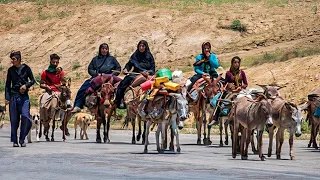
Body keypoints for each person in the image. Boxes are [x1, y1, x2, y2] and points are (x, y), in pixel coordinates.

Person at [72, 43, 121, 113]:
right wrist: (96, 74)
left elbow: (118, 68)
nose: (104, 50)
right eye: (103, 49)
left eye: (106, 49)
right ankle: (78, 105)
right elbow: (90, 69)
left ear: (108, 50)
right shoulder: (95, 59)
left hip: (110, 77)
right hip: (98, 78)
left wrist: (112, 75)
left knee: (122, 85)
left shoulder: (112, 59)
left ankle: (121, 103)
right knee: (83, 87)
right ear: (100, 49)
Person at [5, 51, 35, 147]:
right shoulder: (11, 70)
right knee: (14, 120)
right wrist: (7, 97)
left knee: (26, 116)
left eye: (13, 59)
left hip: (24, 97)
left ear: (18, 59)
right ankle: (15, 140)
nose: (12, 61)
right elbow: (7, 85)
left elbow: (33, 80)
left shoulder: (26, 68)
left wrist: (26, 85)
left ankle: (22, 138)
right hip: (14, 96)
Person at [114, 40, 155, 109]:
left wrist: (147, 73)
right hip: (135, 74)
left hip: (147, 75)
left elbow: (153, 69)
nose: (141, 48)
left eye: (143, 46)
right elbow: (129, 64)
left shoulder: (149, 56)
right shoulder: (135, 55)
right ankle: (119, 100)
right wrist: (126, 69)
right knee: (124, 82)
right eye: (140, 46)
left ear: (146, 47)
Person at [39, 53, 66, 136]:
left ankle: (63, 125)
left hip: (58, 92)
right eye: (53, 62)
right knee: (43, 106)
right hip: (49, 92)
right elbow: (41, 84)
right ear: (50, 61)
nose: (55, 64)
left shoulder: (60, 72)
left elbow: (64, 83)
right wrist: (47, 87)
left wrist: (60, 75)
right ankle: (46, 124)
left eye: (57, 62)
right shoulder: (45, 72)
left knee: (59, 106)